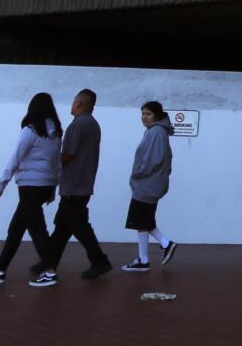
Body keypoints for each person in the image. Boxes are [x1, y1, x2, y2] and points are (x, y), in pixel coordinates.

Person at [0, 92, 62, 287]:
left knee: (37, 230)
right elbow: (56, 162)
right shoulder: (57, 132)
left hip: (29, 186)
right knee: (16, 229)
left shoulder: (31, 130)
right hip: (45, 185)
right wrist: (53, 187)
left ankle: (50, 271)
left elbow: (15, 158)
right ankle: (0, 268)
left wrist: (1, 184)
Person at [34, 88, 111, 282]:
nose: (72, 105)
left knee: (78, 226)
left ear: (79, 104)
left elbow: (67, 155)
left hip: (74, 185)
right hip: (82, 184)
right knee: (63, 226)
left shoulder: (78, 125)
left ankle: (99, 261)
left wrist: (47, 162)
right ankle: (48, 260)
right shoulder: (93, 124)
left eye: (74, 101)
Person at [121, 100, 178, 272]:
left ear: (157, 115)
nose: (144, 117)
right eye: (143, 114)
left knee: (141, 220)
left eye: (148, 114)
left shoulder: (156, 132)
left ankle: (163, 246)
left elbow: (151, 160)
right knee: (144, 221)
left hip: (147, 184)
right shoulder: (156, 131)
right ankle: (146, 257)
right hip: (151, 184)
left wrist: (137, 174)